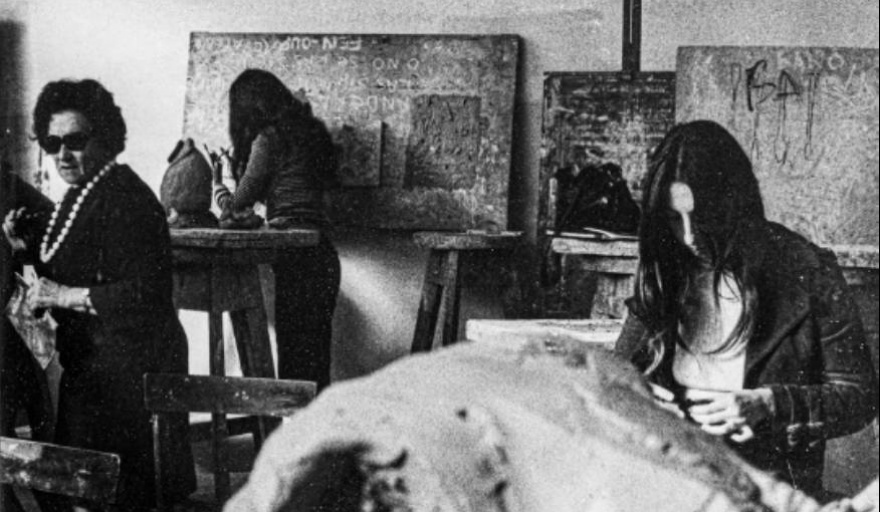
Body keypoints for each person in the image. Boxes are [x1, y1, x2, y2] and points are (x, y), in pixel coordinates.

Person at [614, 120, 878, 500]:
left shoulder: (807, 270)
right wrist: (641, 401)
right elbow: (613, 381)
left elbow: (859, 397)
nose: (689, 236)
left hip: (770, 497)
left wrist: (770, 404)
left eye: (703, 217)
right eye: (674, 219)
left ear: (735, 204)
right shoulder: (663, 275)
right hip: (670, 493)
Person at [2, 79, 195, 510]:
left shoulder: (127, 198)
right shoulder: (80, 196)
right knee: (86, 494)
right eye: (53, 143)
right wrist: (25, 249)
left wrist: (63, 294)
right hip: (91, 371)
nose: (63, 155)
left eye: (75, 141)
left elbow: (145, 293)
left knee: (119, 496)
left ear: (105, 138)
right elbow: (68, 269)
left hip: (132, 373)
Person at [212, 68, 341, 392]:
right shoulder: (312, 131)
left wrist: (219, 185)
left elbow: (237, 205)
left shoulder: (269, 138)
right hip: (323, 255)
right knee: (315, 367)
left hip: (297, 259)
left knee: (294, 373)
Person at [1, 169, 54, 512]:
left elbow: (51, 217)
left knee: (42, 424)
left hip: (16, 330)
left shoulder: (9, 186)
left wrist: (23, 250)